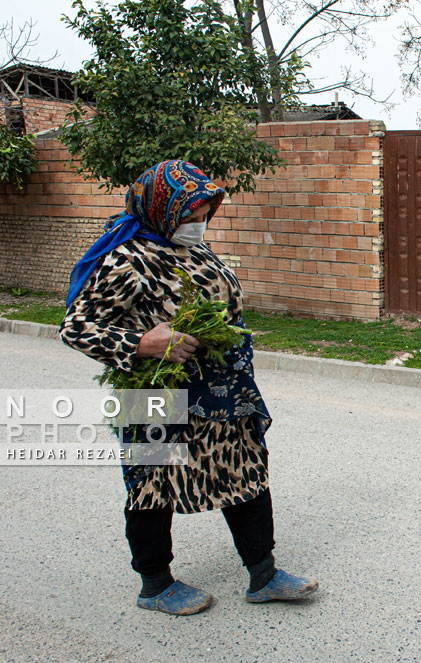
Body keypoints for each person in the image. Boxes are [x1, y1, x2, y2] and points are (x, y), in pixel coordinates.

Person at [60, 160, 317, 615]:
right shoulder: (128, 259)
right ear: (160, 209)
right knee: (151, 486)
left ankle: (265, 574)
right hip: (156, 390)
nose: (198, 225)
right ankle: (155, 585)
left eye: (204, 216)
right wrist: (141, 342)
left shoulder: (195, 251)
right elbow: (77, 327)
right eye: (190, 216)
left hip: (223, 390)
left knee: (244, 472)